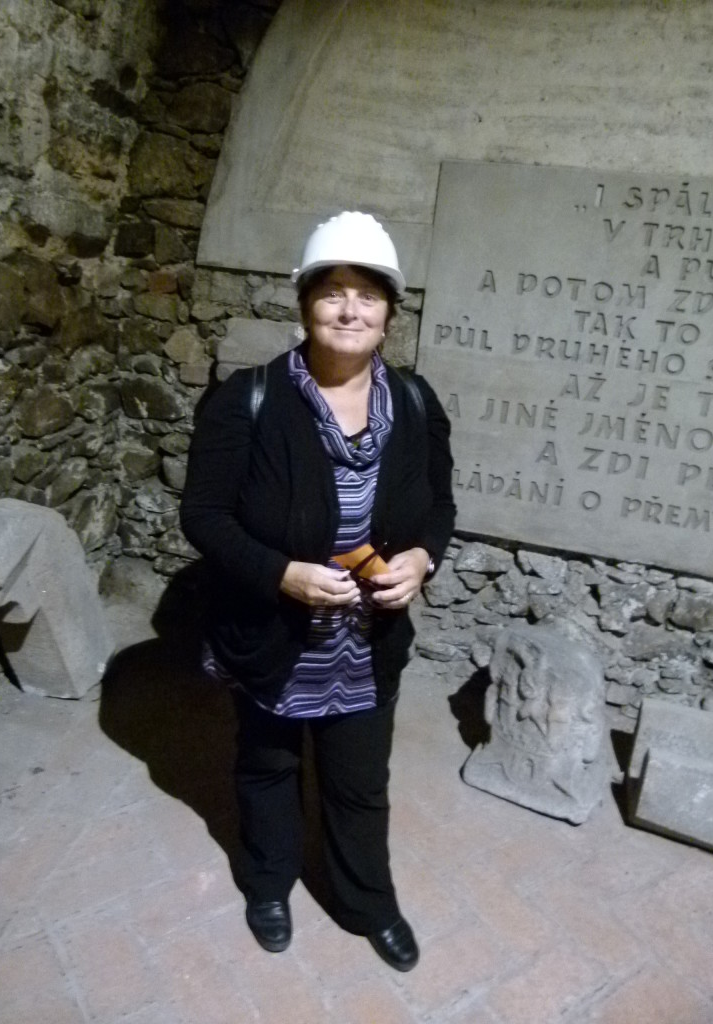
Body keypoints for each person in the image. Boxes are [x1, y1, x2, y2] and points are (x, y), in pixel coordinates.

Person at [180, 211, 455, 971]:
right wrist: (280, 574)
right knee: (267, 762)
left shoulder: (417, 403)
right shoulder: (250, 401)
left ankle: (368, 900)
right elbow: (201, 514)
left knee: (360, 781)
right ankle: (268, 882)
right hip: (273, 633)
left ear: (389, 313)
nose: (349, 310)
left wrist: (424, 558)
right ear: (304, 304)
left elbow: (440, 504)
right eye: (332, 292)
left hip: (365, 644)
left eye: (367, 296)